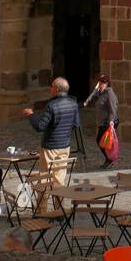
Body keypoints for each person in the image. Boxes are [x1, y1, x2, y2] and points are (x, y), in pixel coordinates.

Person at [23, 77, 80, 212]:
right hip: (65, 146)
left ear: (56, 89)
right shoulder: (73, 104)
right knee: (59, 179)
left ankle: (41, 210)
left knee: (45, 179)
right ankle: (59, 210)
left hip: (50, 147)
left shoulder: (52, 105)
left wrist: (31, 115)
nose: (50, 89)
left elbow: (40, 126)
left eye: (51, 86)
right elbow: (76, 124)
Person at [83, 75, 120, 168]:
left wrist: (110, 121)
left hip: (108, 122)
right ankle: (110, 159)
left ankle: (110, 159)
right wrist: (89, 99)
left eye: (102, 83)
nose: (100, 84)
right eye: (99, 82)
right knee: (103, 142)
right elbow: (93, 94)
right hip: (102, 122)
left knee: (101, 140)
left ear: (107, 83)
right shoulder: (101, 92)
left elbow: (113, 109)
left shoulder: (110, 94)